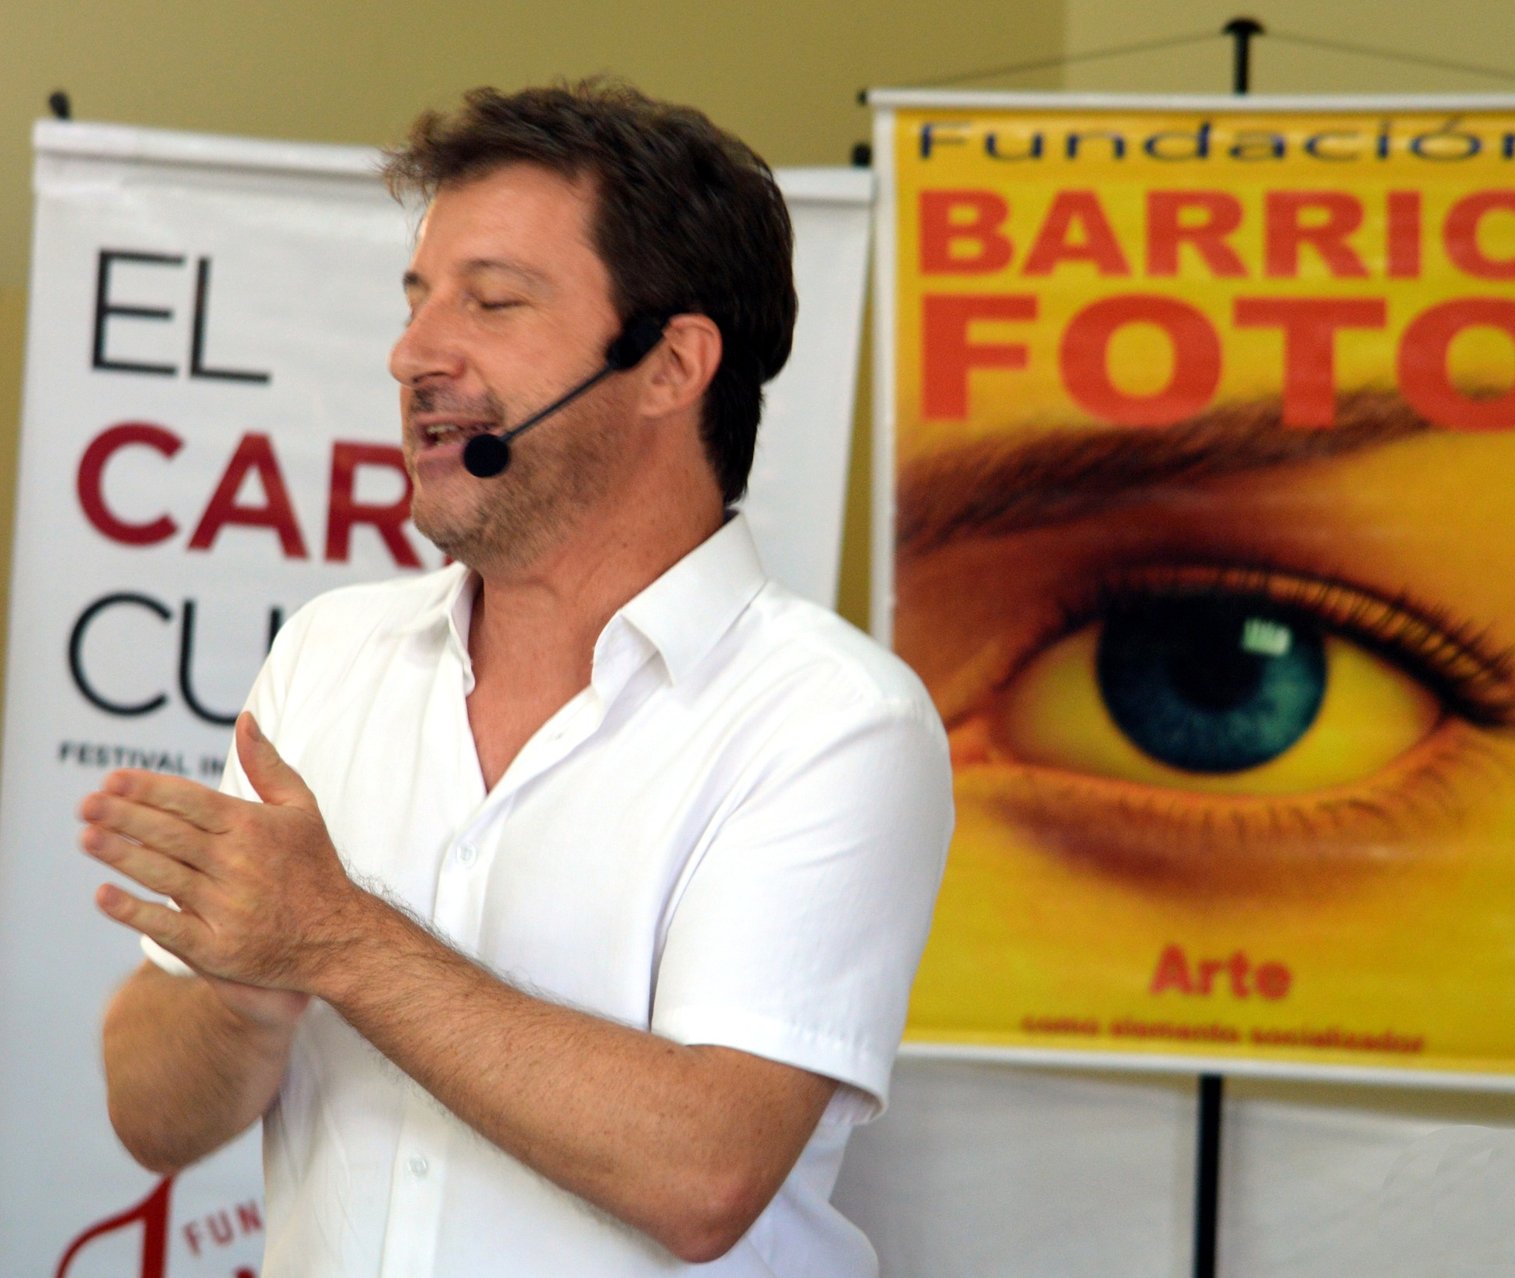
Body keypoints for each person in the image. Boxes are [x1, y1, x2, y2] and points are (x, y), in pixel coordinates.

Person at [83, 80, 953, 1276]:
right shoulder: (328, 656)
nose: (411, 355)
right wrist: (243, 994)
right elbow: (149, 1115)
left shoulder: (834, 722)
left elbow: (705, 1172)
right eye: (417, 298)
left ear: (669, 364)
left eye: (492, 302)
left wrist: (335, 940)